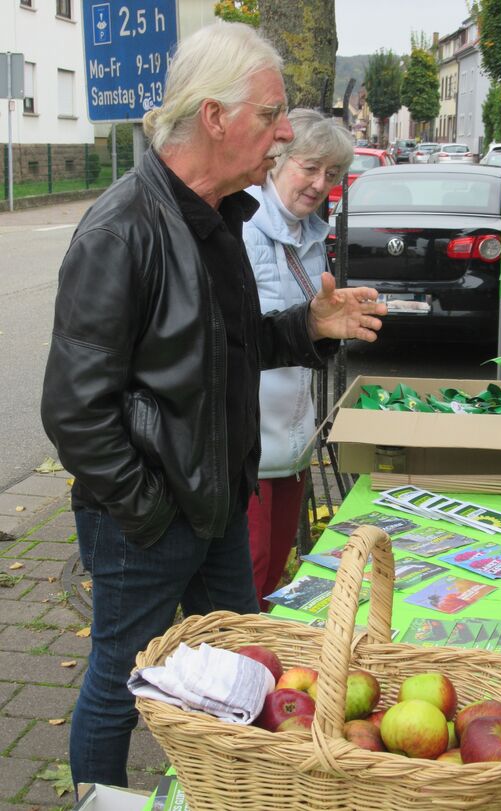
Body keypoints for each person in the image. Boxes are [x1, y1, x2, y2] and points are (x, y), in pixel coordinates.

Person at [40, 21, 385, 791]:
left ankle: (228, 789)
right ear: (214, 117)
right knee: (118, 682)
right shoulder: (122, 228)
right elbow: (73, 410)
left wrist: (306, 326)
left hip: (221, 504)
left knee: (245, 671)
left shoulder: (218, 217)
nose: (286, 133)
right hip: (149, 518)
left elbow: (222, 353)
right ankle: (100, 802)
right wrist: (150, 510)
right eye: (271, 115)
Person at [243, 109, 354, 610]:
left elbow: (303, 326)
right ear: (279, 159)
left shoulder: (312, 234)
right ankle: (237, 670)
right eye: (310, 167)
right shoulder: (242, 225)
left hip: (291, 436)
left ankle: (266, 667)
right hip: (245, 441)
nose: (318, 184)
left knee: (276, 565)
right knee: (249, 569)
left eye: (331, 175)